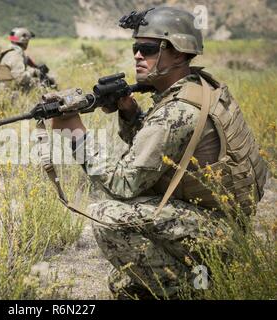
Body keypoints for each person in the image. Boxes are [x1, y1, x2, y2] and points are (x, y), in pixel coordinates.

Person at [50, 6, 268, 299]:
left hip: (216, 232)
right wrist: (130, 114)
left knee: (106, 214)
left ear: (178, 53)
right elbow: (164, 154)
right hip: (224, 224)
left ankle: (194, 291)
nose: (138, 55)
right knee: (126, 285)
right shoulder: (196, 86)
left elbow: (124, 184)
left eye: (149, 48)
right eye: (136, 48)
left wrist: (74, 131)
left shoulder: (177, 110)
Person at [0, 27, 56, 105]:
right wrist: (34, 75)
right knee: (39, 88)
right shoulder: (16, 55)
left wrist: (35, 71)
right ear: (24, 40)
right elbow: (20, 78)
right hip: (8, 94)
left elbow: (17, 70)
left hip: (2, 92)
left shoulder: (9, 52)